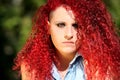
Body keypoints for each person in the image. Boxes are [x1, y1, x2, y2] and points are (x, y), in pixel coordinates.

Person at [13, 0, 120, 80]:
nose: (69, 34)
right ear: (48, 28)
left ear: (87, 29)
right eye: (61, 25)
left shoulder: (102, 66)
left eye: (76, 26)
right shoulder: (32, 65)